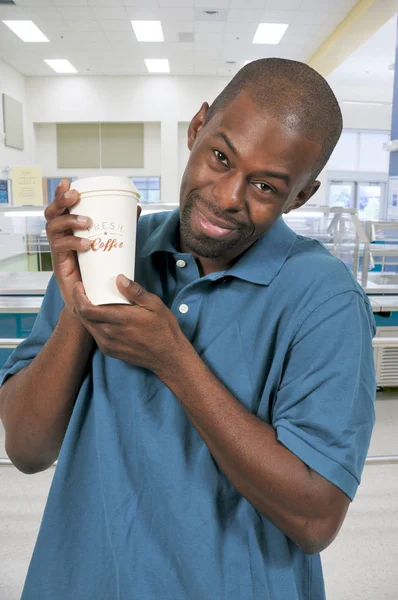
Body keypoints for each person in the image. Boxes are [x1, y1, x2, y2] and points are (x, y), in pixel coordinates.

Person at [0, 58, 376, 600]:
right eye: (221, 157)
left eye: (266, 186)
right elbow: (26, 449)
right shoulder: (111, 246)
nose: (227, 196)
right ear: (197, 127)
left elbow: (315, 519)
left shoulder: (326, 300)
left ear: (301, 196)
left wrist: (174, 360)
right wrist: (83, 303)